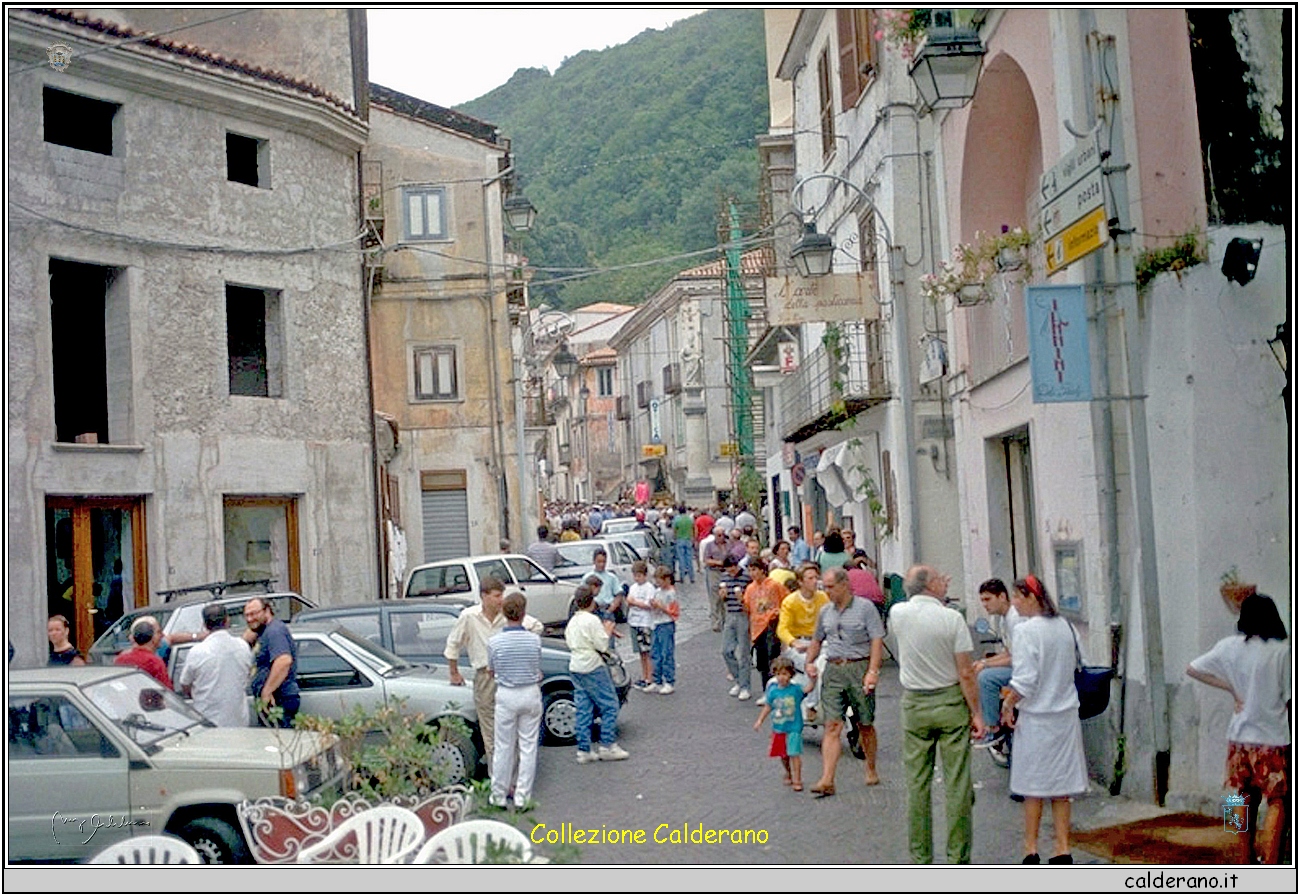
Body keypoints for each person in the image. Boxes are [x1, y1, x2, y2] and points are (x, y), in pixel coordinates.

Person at [1187, 592, 1291, 865]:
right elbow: (1290, 698)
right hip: (1273, 738)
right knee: (1278, 801)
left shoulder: (1229, 646)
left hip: (1238, 737)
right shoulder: (1284, 650)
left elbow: (1193, 669)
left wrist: (1232, 689)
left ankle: (1242, 858)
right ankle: (1270, 862)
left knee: (1240, 797)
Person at [892, 565, 985, 865]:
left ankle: (921, 858)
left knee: (917, 784)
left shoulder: (898, 614)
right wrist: (977, 713)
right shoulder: (951, 619)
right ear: (930, 585)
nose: (946, 581)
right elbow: (965, 673)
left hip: (915, 703)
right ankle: (958, 858)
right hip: (948, 702)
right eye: (941, 577)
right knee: (957, 783)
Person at [1000, 575, 1089, 864]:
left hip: (1038, 718)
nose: (1014, 603)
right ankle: (1063, 848)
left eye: (1016, 597)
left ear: (1030, 598)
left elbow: (1026, 680)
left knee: (1033, 788)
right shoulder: (1065, 626)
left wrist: (1008, 704)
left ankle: (1031, 848)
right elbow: (1079, 663)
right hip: (1064, 716)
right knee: (1061, 789)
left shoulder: (1026, 632)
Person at [445, 576, 544, 767]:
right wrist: (454, 672)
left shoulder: (506, 616)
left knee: (512, 728)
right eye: (497, 596)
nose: (501, 600)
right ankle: (497, 775)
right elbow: (453, 644)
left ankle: (512, 775)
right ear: (484, 596)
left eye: (502, 595)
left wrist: (519, 646)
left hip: (507, 674)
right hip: (484, 675)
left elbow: (536, 626)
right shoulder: (469, 616)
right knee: (490, 730)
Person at [806, 566, 886, 795]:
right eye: (824, 587)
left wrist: (873, 671)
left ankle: (870, 768)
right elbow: (817, 639)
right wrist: (810, 662)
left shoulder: (865, 608)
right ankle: (827, 778)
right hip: (833, 668)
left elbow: (876, 640)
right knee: (832, 725)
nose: (826, 591)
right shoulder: (825, 612)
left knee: (865, 723)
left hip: (858, 666)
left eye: (830, 587)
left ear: (844, 585)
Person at [487, 592, 544, 809]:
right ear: (523, 613)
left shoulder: (494, 642)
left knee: (503, 746)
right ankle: (522, 797)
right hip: (529, 693)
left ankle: (498, 795)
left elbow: (491, 671)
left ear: (504, 612)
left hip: (506, 694)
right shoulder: (534, 640)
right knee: (528, 747)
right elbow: (536, 668)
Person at [565, 586, 629, 763]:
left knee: (583, 706)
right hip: (592, 665)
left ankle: (583, 749)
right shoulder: (592, 620)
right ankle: (607, 744)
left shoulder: (572, 622)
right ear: (591, 601)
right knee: (609, 704)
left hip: (576, 665)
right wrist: (607, 630)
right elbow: (602, 644)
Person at [178, 603, 252, 727]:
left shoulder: (197, 652)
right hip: (239, 720)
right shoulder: (243, 646)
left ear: (204, 625)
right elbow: (248, 674)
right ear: (227, 621)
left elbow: (185, 684)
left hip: (208, 721)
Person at [971, 578, 1021, 747]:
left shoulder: (1015, 619)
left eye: (988, 599)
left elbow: (1016, 657)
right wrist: (983, 661)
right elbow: (1007, 652)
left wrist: (985, 665)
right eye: (982, 600)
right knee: (980, 670)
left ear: (1002, 596)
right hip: (1016, 663)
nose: (985, 605)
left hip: (1024, 668)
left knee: (986, 678)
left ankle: (993, 728)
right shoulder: (1002, 619)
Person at [754, 656, 814, 792]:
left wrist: (813, 679)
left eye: (785, 674)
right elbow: (768, 706)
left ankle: (797, 779)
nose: (782, 677)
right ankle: (788, 772)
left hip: (794, 727)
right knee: (783, 754)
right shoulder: (773, 690)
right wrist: (760, 720)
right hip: (779, 727)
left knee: (794, 753)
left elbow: (808, 689)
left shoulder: (796, 689)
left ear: (791, 675)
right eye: (779, 674)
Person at [243, 597, 299, 728]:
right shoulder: (265, 631)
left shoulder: (275, 631)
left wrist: (267, 691)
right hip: (273, 699)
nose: (250, 619)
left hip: (278, 699)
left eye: (254, 614)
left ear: (267, 610)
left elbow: (283, 661)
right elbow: (247, 636)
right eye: (247, 615)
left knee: (276, 744)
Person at [742, 558, 787, 704]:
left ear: (762, 570)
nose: (752, 573)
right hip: (757, 626)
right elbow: (748, 607)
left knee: (772, 657)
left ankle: (777, 690)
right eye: (750, 570)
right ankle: (766, 690)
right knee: (761, 661)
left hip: (771, 624)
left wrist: (779, 614)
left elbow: (786, 599)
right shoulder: (750, 588)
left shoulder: (774, 585)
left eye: (754, 569)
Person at [718, 555, 753, 700]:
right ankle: (738, 680)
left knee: (744, 652)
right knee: (726, 650)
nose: (731, 572)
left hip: (743, 615)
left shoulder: (746, 577)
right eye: (728, 570)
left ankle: (745, 686)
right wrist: (722, 596)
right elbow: (722, 599)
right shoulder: (724, 578)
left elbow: (751, 598)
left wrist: (742, 598)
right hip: (730, 614)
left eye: (732, 569)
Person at [114, 617, 174, 689]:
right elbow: (166, 692)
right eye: (158, 632)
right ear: (152, 638)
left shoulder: (120, 659)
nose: (162, 635)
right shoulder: (155, 662)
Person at [625, 560, 657, 690]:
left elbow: (649, 605)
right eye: (635, 576)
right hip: (634, 621)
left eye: (639, 575)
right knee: (640, 652)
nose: (637, 578)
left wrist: (635, 603)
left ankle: (650, 677)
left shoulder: (649, 588)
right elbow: (628, 600)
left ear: (645, 575)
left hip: (645, 622)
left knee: (647, 651)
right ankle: (644, 676)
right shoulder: (633, 588)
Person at [648, 565, 680, 694]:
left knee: (667, 653)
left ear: (667, 580)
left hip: (666, 624)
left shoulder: (671, 593)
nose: (658, 583)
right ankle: (657, 680)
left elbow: (673, 612)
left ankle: (669, 680)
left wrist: (660, 607)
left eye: (660, 581)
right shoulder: (657, 591)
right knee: (655, 652)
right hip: (656, 623)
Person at [701, 523, 730, 633]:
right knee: (715, 598)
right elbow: (706, 560)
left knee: (725, 597)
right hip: (714, 572)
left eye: (722, 535)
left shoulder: (728, 545)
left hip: (726, 572)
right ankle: (716, 622)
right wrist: (718, 562)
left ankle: (725, 620)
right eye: (718, 535)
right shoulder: (709, 546)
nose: (721, 537)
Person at [671, 506, 696, 584]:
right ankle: (692, 577)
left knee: (681, 559)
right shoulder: (690, 519)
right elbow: (693, 528)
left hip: (680, 540)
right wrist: (693, 538)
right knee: (689, 559)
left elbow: (674, 530)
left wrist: (674, 538)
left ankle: (682, 577)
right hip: (688, 539)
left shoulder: (677, 519)